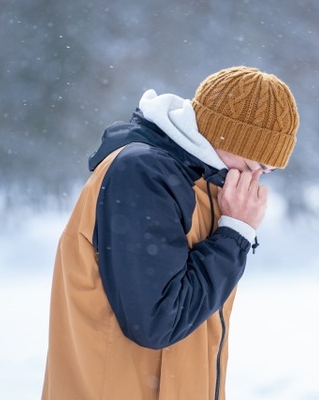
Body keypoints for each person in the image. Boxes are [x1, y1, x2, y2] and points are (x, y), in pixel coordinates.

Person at [41, 66, 299, 400]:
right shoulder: (144, 174)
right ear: (225, 136)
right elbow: (159, 321)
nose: (256, 179)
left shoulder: (204, 183)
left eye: (268, 171)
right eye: (253, 165)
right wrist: (235, 233)